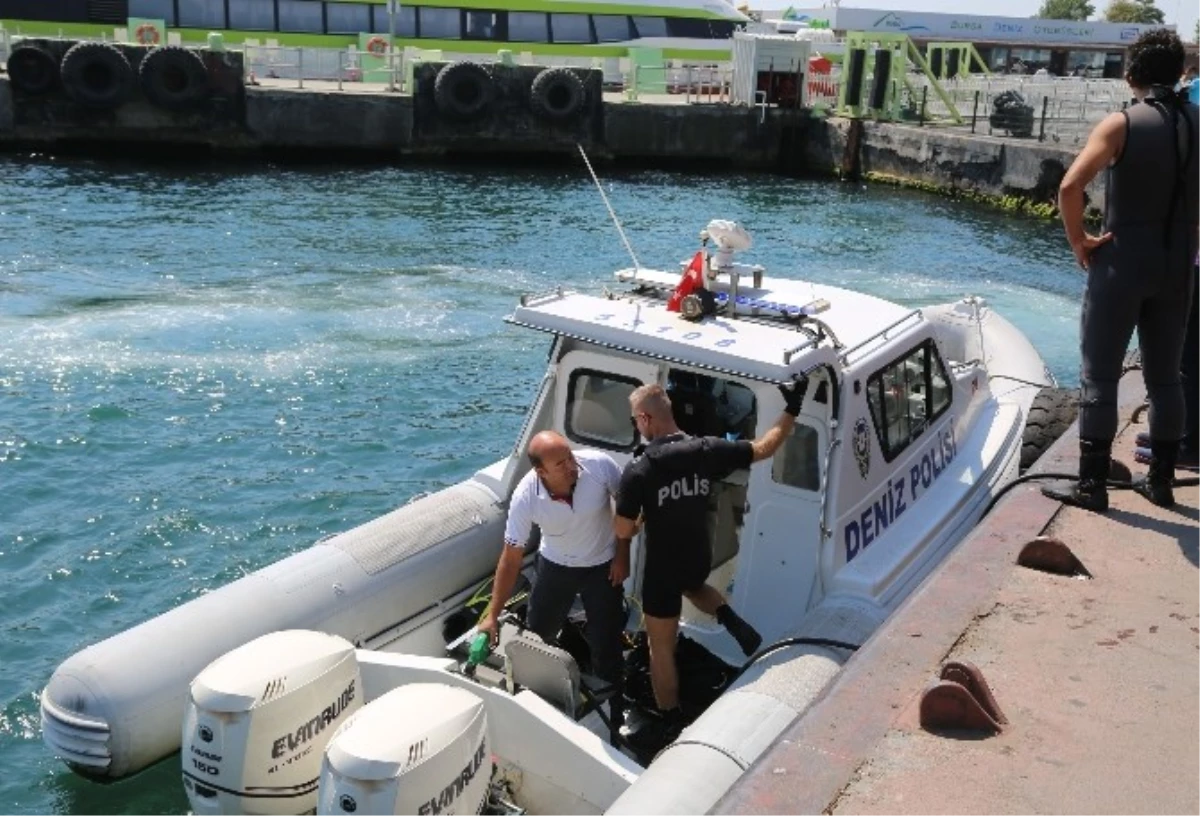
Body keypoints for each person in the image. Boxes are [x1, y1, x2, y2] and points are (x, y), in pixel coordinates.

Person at [1043, 29, 1200, 513]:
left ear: (1132, 74)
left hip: (1123, 259)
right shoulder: (1198, 121)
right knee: (1166, 376)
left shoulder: (1121, 125)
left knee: (1101, 375)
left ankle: (1091, 486)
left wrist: (1080, 240)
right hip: (1178, 264)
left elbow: (1071, 187)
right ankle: (1161, 482)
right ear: (1179, 73)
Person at [613, 380, 803, 744]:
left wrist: (637, 518)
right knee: (695, 584)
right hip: (698, 554)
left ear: (645, 418)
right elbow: (765, 448)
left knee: (660, 651)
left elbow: (623, 530)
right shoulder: (706, 449)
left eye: (637, 422)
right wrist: (791, 407)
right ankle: (727, 616)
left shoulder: (640, 469)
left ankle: (670, 721)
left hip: (662, 571)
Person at [480, 431, 627, 720]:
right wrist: (492, 615)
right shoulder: (526, 497)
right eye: (560, 464)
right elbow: (510, 560)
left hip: (602, 566)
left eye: (570, 456)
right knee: (537, 638)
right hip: (556, 567)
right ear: (540, 471)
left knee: (606, 644)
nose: (572, 466)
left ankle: (614, 715)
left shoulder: (600, 466)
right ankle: (538, 710)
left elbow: (626, 510)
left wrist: (623, 555)